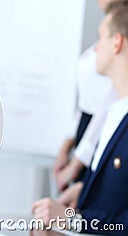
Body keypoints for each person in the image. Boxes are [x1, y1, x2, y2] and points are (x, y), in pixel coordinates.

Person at [33, 1, 128, 234]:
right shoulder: (113, 115)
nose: (95, 49)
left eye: (101, 38)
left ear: (117, 43)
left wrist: (75, 220)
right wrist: (85, 191)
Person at [53, 0, 118, 192]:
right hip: (84, 130)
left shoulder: (119, 28)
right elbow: (87, 99)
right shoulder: (106, 27)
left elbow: (108, 103)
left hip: (100, 136)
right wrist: (67, 146)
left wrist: (76, 165)